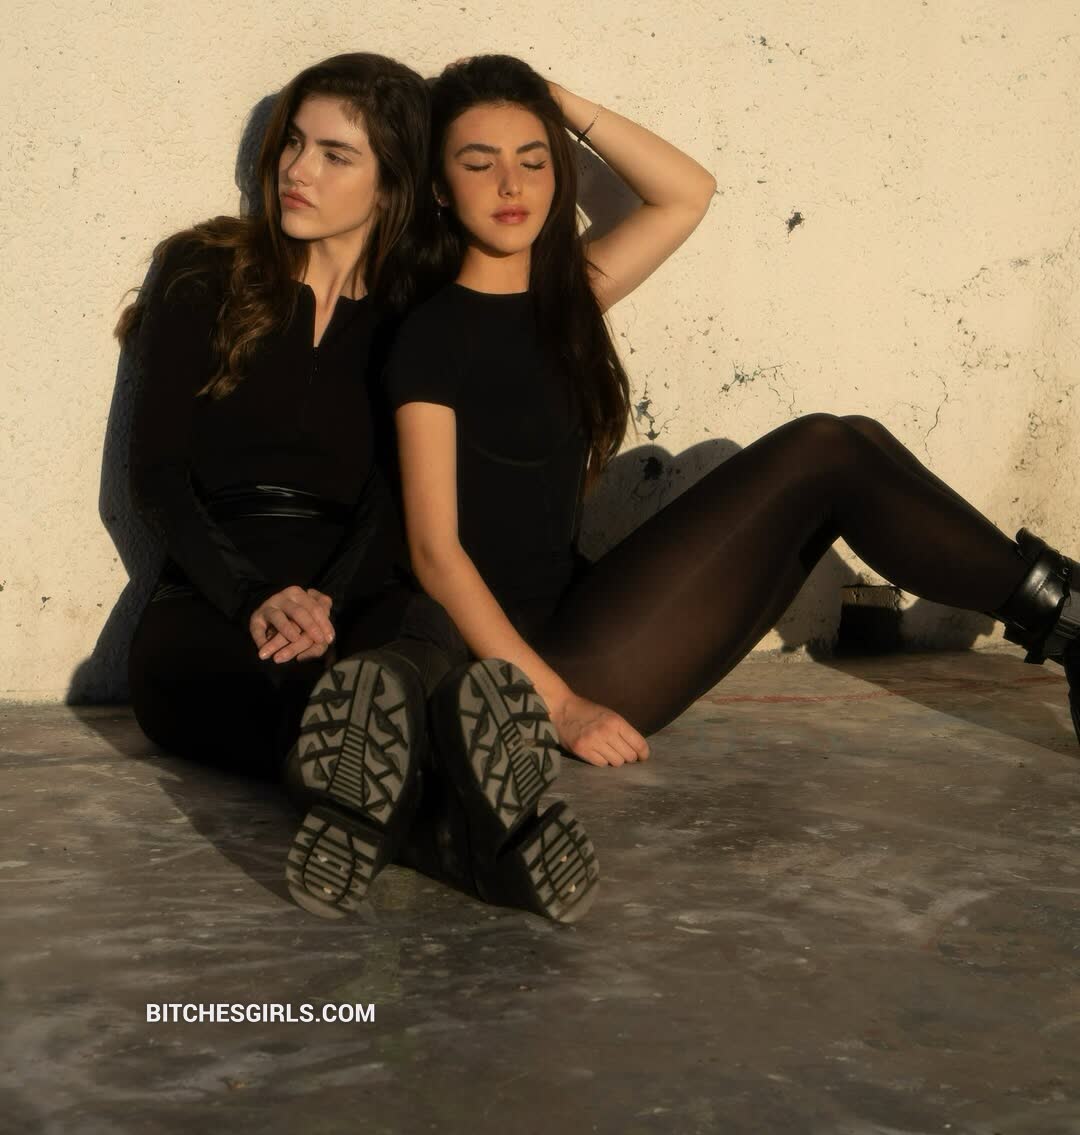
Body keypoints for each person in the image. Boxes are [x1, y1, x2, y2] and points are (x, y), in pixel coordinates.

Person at [384, 53, 1080, 786]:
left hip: (582, 612)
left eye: (533, 161)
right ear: (439, 187)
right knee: (827, 448)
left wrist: (550, 97)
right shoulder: (431, 337)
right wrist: (560, 706)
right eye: (479, 163)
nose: (511, 184)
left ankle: (1065, 620)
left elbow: (687, 192)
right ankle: (1068, 617)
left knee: (851, 439)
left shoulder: (565, 305)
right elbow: (435, 553)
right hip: (535, 664)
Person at [119, 51, 463, 922]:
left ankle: (382, 783)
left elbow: (395, 489)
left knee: (410, 640)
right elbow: (154, 473)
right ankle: (461, 817)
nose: (297, 170)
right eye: (293, 144)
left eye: (335, 154)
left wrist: (328, 601)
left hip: (355, 589)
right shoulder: (204, 269)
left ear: (392, 184)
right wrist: (254, 598)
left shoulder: (417, 310)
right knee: (309, 694)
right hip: (209, 599)